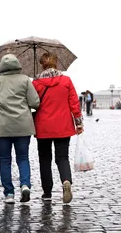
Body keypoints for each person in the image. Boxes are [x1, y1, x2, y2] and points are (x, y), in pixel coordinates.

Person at [0, 54, 40, 204]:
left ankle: (9, 194)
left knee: (5, 160)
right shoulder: (25, 80)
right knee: (23, 158)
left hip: (3, 127)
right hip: (23, 126)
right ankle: (25, 185)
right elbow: (35, 102)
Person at [32, 52, 84, 204]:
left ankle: (47, 192)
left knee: (44, 159)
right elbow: (74, 104)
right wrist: (79, 124)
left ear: (42, 65)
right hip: (63, 126)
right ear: (56, 64)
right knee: (62, 157)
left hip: (43, 127)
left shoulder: (36, 84)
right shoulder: (66, 81)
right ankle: (66, 181)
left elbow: (32, 104)